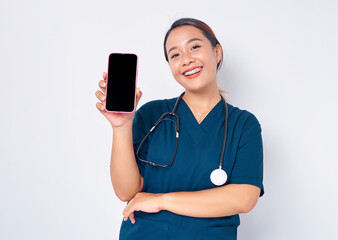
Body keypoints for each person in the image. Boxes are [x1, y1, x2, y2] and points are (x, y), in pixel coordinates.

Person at [95, 17, 264, 240]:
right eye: (175, 55)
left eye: (194, 47)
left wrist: (161, 200)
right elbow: (127, 191)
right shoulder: (152, 115)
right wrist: (121, 126)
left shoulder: (243, 125)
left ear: (217, 52)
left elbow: (244, 198)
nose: (186, 60)